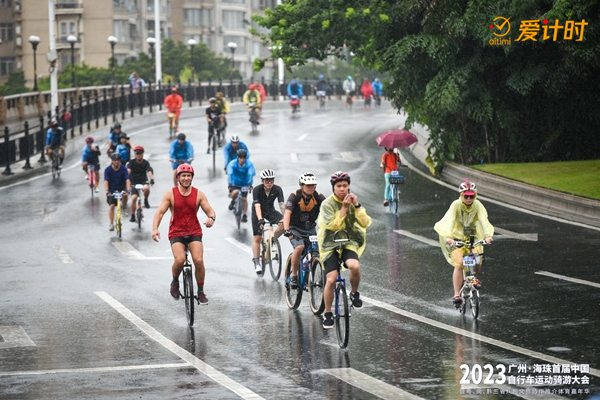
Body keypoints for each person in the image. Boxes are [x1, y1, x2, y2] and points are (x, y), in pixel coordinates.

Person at [152, 164, 216, 305]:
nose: (186, 178)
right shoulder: (170, 194)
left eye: (188, 176)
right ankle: (175, 282)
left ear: (192, 177)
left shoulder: (199, 194)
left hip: (194, 231)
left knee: (198, 260)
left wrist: (211, 218)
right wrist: (155, 228)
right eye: (183, 176)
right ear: (178, 178)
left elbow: (210, 211)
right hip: (177, 232)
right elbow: (160, 212)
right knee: (180, 259)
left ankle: (200, 291)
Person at [317, 171, 371, 329]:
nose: (342, 189)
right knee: (332, 279)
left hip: (349, 241)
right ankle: (327, 313)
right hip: (329, 243)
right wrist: (344, 208)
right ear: (333, 188)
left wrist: (357, 206)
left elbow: (365, 223)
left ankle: (354, 293)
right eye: (339, 186)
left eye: (345, 186)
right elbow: (334, 226)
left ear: (349, 187)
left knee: (354, 266)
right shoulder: (327, 204)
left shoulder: (353, 202)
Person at [434, 180, 494, 306]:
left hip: (472, 238)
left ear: (475, 196)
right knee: (460, 263)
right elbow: (450, 220)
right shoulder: (456, 205)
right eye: (466, 196)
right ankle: (456, 294)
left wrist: (488, 236)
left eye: (471, 196)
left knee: (477, 259)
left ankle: (474, 279)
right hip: (456, 238)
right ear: (461, 195)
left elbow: (484, 220)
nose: (468, 199)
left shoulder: (478, 205)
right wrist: (449, 237)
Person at [283, 172, 326, 289]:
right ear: (301, 186)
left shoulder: (319, 197)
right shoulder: (294, 196)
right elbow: (287, 214)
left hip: (310, 229)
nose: (310, 188)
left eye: (313, 185)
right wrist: (287, 230)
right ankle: (294, 275)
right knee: (299, 247)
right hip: (294, 228)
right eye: (307, 185)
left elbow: (329, 211)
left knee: (315, 252)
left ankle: (309, 275)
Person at [251, 169, 285, 275]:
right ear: (262, 181)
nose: (269, 183)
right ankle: (256, 261)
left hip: (270, 210)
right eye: (267, 181)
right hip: (258, 211)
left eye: (271, 181)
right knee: (257, 237)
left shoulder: (278, 189)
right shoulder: (257, 190)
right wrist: (260, 220)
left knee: (283, 224)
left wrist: (286, 217)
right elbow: (257, 206)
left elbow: (282, 205)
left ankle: (272, 240)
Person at [226, 149, 255, 223]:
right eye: (240, 158)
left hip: (245, 183)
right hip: (235, 183)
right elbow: (229, 174)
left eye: (243, 158)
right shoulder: (232, 163)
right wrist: (229, 184)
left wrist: (250, 184)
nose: (242, 159)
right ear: (237, 157)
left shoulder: (249, 164)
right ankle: (233, 201)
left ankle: (244, 215)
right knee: (235, 192)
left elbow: (251, 174)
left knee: (244, 199)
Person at [104, 153, 131, 231]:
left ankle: (124, 208)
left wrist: (128, 190)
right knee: (112, 206)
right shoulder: (108, 170)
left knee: (125, 195)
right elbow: (106, 181)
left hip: (121, 188)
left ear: (120, 161)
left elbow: (127, 179)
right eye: (114, 160)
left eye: (118, 160)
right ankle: (111, 224)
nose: (116, 162)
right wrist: (107, 191)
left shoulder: (123, 169)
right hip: (111, 191)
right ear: (112, 161)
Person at [127, 146, 155, 220]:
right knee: (134, 198)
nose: (138, 155)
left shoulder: (145, 163)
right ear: (135, 154)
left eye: (140, 153)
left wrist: (151, 178)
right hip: (133, 182)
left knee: (146, 188)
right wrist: (126, 179)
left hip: (143, 181)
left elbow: (149, 170)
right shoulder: (131, 162)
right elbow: (128, 171)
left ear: (142, 154)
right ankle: (133, 215)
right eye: (137, 153)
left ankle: (146, 200)